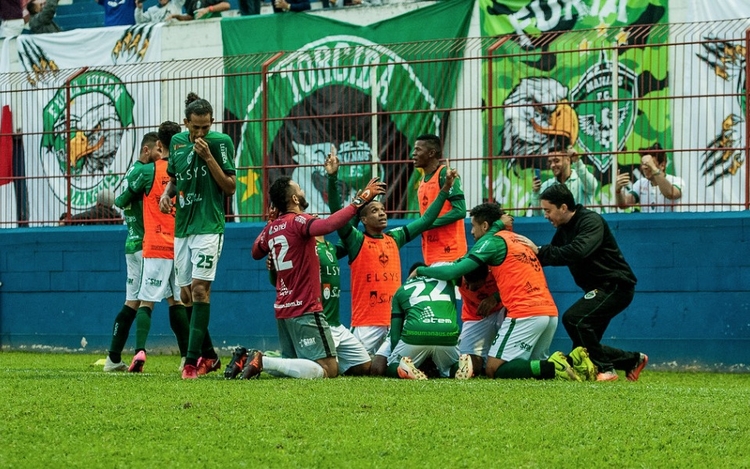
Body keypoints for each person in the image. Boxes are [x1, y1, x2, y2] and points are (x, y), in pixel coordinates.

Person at [413, 202, 595, 381]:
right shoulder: (516, 239)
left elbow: (454, 271)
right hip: (548, 312)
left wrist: (421, 270)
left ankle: (555, 367)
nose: (471, 232)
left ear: (485, 226)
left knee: (494, 368)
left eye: (474, 226)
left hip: (525, 312)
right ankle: (573, 360)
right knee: (531, 365)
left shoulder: (491, 243)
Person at [244, 174, 385, 379]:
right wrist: (360, 200)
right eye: (299, 188)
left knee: (291, 367)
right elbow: (328, 225)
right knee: (329, 369)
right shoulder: (299, 221)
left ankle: (254, 360)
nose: (302, 191)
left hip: (283, 311)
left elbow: (256, 251)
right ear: (294, 199)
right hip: (306, 308)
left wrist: (270, 223)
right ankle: (261, 360)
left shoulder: (273, 228)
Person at [325, 147, 458, 356]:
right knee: (361, 368)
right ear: (363, 220)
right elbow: (337, 216)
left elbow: (426, 220)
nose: (382, 214)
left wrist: (444, 191)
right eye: (375, 211)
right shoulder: (356, 241)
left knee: (393, 363)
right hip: (366, 324)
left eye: (383, 210)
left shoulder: (395, 238)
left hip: (396, 321)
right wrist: (332, 178)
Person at [519, 184, 648, 382]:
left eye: (547, 210)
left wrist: (540, 250)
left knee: (574, 319)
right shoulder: (563, 230)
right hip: (599, 289)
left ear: (563, 207)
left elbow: (578, 251)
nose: (545, 215)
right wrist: (523, 256)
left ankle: (606, 369)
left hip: (616, 286)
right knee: (582, 350)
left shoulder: (590, 221)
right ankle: (632, 360)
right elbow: (549, 255)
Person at [159, 92, 236, 379]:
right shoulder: (177, 144)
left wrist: (208, 157)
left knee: (201, 290)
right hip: (183, 228)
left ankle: (191, 363)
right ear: (186, 123)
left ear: (212, 123)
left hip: (209, 226)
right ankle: (211, 356)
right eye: (195, 128)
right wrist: (167, 194)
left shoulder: (220, 143)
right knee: (185, 294)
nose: (201, 133)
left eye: (206, 127)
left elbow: (229, 187)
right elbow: (176, 178)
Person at [231, 234, 372, 379]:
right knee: (328, 370)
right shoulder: (302, 246)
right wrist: (273, 268)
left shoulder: (330, 247)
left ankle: (250, 356)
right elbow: (279, 281)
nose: (316, 215)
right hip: (318, 321)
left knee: (364, 365)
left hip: (336, 324)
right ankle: (261, 360)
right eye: (310, 213)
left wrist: (353, 213)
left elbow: (346, 233)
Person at [126, 126, 191, 373]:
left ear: (159, 146)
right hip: (179, 245)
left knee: (146, 302)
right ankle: (187, 357)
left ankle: (140, 350)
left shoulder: (147, 171)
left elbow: (123, 198)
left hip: (155, 245)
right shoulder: (184, 170)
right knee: (178, 302)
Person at [102, 133, 158, 372]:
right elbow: (123, 200)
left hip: (131, 243)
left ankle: (113, 359)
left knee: (131, 302)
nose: (161, 154)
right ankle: (141, 352)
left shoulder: (130, 173)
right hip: (147, 244)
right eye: (158, 150)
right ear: (147, 150)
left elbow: (121, 201)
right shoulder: (145, 173)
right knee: (160, 299)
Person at [384, 262, 472, 380]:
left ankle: (403, 367)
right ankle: (458, 367)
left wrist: (396, 356)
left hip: (416, 333)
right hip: (447, 333)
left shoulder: (401, 290)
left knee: (392, 364)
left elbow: (395, 336)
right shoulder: (447, 280)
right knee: (449, 366)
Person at [411, 134, 467, 265]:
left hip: (451, 252)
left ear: (431, 153)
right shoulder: (422, 182)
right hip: (430, 252)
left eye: (418, 150)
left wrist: (428, 224)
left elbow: (460, 211)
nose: (413, 154)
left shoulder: (445, 175)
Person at [456, 264, 505, 378]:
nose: (469, 288)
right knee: (469, 364)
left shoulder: (496, 269)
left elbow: (516, 283)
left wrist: (496, 297)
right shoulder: (457, 272)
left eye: (475, 286)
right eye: (466, 283)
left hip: (501, 311)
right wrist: (420, 270)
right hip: (474, 316)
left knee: (513, 310)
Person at [530, 141, 598, 215]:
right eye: (550, 162)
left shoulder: (581, 180)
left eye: (556, 161)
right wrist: (536, 193)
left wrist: (577, 161)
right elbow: (538, 214)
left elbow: (592, 186)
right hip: (557, 226)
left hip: (582, 225)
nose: (552, 165)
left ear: (568, 160)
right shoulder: (546, 185)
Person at [615, 143, 684, 213]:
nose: (644, 167)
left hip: (669, 222)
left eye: (648, 163)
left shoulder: (676, 181)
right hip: (646, 223)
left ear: (662, 165)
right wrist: (618, 191)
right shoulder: (640, 183)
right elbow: (624, 204)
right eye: (643, 163)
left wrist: (653, 168)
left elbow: (671, 194)